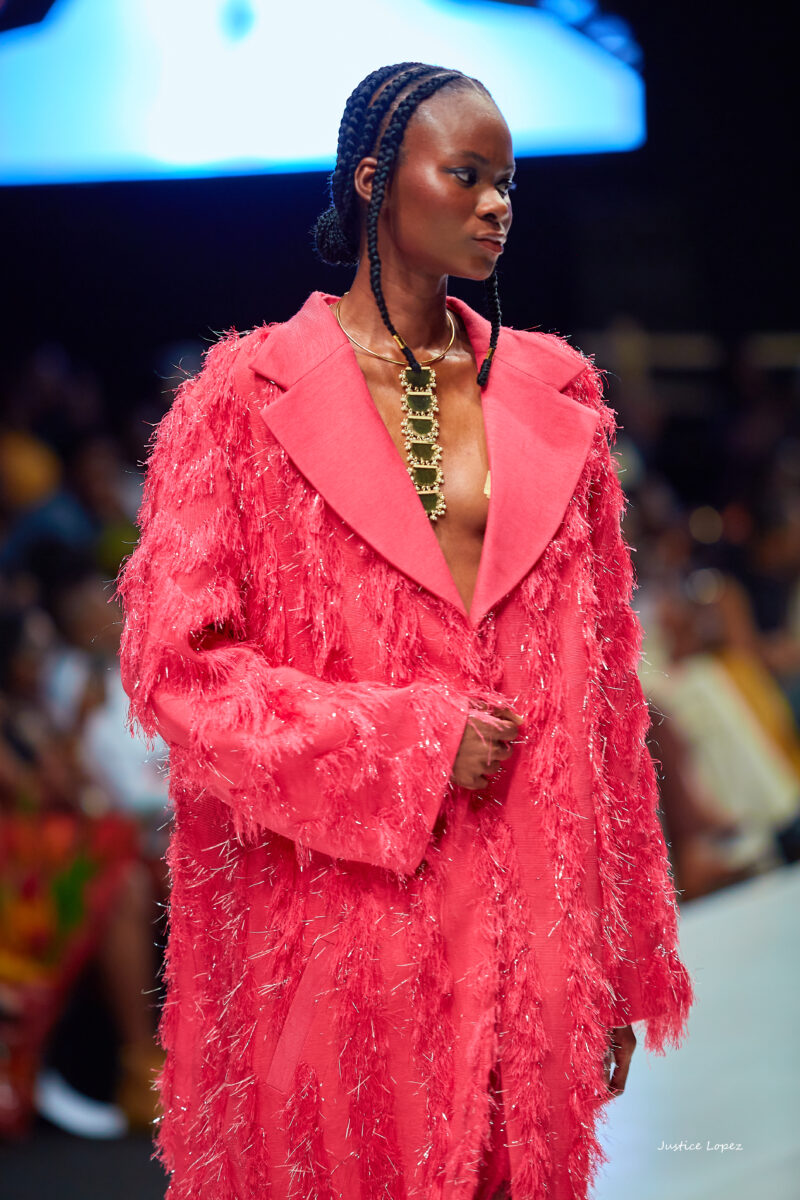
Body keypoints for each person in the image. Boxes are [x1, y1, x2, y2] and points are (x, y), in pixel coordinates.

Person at [114, 62, 694, 1200]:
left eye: (508, 183)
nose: (496, 205)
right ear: (375, 180)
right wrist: (411, 741)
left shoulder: (559, 399)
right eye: (465, 176)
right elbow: (176, 671)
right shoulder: (237, 405)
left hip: (529, 932)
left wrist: (617, 961)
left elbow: (607, 704)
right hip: (334, 928)